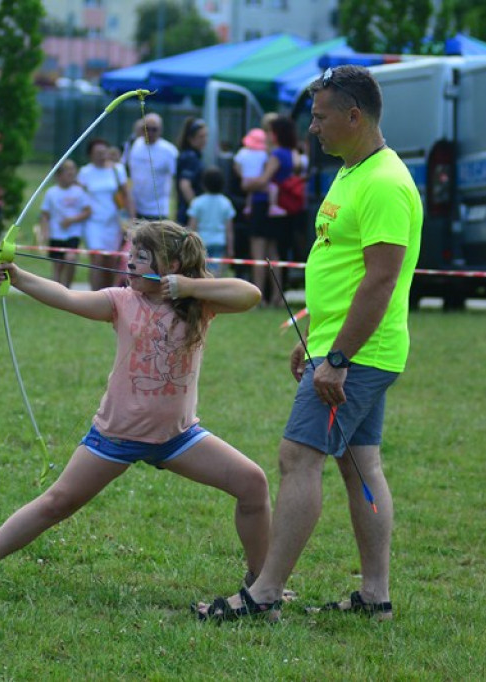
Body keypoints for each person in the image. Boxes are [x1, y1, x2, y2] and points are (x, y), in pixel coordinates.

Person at [195, 64, 423, 623]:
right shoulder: (351, 173)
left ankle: (265, 593)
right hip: (345, 348)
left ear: (354, 115)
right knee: (360, 466)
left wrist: (338, 358)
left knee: (298, 458)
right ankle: (375, 598)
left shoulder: (387, 183)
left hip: (360, 355)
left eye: (321, 118)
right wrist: (318, 339)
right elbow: (344, 271)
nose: (313, 129)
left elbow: (379, 281)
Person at [0, 221, 271, 587]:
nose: (130, 263)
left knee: (253, 483)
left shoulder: (199, 305)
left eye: (142, 257)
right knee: (58, 502)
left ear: (171, 266)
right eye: (130, 255)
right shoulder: (121, 301)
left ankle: (261, 581)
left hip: (178, 437)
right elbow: (66, 296)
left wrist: (186, 287)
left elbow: (250, 294)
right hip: (116, 435)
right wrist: (18, 276)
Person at [242, 117, 302, 307]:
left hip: (263, 206)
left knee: (258, 254)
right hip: (278, 209)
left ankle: (258, 297)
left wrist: (248, 183)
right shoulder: (291, 153)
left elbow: (264, 180)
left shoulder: (276, 154)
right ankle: (277, 296)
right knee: (274, 253)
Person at [78, 138, 132, 290]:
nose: (102, 156)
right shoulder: (85, 172)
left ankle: (108, 293)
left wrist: (131, 218)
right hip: (93, 222)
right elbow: (79, 195)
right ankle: (94, 295)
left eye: (104, 152)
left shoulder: (117, 170)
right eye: (97, 153)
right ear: (90, 155)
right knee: (97, 258)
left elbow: (126, 194)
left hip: (113, 221)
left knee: (111, 260)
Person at [38, 160, 91, 288]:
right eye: (68, 170)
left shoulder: (79, 191)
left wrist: (72, 220)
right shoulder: (51, 192)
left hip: (73, 233)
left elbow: (87, 211)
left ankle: (67, 287)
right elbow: (45, 214)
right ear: (59, 175)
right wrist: (45, 232)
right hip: (56, 233)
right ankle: (55, 290)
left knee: (71, 259)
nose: (72, 173)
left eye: (73, 169)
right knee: (57, 264)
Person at [126, 113, 178, 221]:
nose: (150, 132)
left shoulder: (169, 151)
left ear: (160, 130)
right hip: (136, 209)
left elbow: (176, 178)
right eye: (147, 128)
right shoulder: (134, 145)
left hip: (158, 210)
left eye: (154, 129)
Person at [187, 166, 235, 276]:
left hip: (202, 241)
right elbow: (229, 229)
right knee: (216, 272)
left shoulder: (198, 202)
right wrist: (231, 248)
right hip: (219, 241)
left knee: (201, 271)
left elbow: (192, 226)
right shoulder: (226, 202)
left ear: (204, 184)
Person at [233, 127, 286, 219]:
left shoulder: (242, 152)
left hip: (245, 180)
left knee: (251, 191)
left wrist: (242, 176)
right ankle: (272, 206)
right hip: (258, 179)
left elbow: (236, 166)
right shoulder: (263, 154)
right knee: (273, 188)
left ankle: (248, 207)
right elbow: (266, 167)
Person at [175, 116, 207, 226]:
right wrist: (197, 212)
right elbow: (185, 185)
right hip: (187, 216)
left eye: (206, 136)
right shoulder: (190, 157)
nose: (205, 140)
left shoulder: (193, 155)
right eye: (201, 137)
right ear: (191, 139)